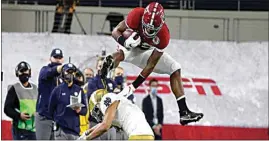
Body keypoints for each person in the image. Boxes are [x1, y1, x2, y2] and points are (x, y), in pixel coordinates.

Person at [101, 2, 203, 125]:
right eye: (146, 26)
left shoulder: (164, 35)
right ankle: (104, 70)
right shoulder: (136, 14)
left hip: (148, 52)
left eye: (152, 28)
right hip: (131, 47)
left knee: (175, 68)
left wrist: (133, 86)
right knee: (118, 55)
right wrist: (124, 41)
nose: (148, 30)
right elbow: (115, 31)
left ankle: (183, 112)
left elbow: (150, 65)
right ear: (143, 17)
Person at [78, 89, 154, 140]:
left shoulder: (106, 98)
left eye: (96, 110)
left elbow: (104, 126)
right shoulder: (117, 104)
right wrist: (86, 133)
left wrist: (86, 139)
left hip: (138, 135)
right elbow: (101, 125)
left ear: (98, 104)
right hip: (148, 135)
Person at [48, 63, 88, 140]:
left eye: (71, 72)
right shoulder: (57, 90)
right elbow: (50, 110)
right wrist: (58, 120)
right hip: (61, 131)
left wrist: (79, 110)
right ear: (63, 73)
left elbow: (85, 110)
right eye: (67, 72)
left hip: (75, 131)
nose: (70, 74)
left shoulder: (79, 90)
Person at [4, 61, 37, 140]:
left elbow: (39, 105)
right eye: (21, 71)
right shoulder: (14, 89)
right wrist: (19, 115)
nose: (24, 73)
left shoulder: (35, 88)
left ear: (29, 72)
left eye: (26, 71)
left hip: (33, 129)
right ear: (17, 74)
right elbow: (7, 108)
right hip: (20, 129)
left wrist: (38, 113)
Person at [35, 48, 64, 139]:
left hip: (57, 119)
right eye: (55, 57)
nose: (58, 59)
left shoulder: (63, 76)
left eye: (60, 57)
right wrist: (60, 69)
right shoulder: (44, 70)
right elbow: (51, 72)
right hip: (44, 116)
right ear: (50, 58)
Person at [86, 58, 117, 140]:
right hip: (96, 123)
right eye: (100, 66)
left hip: (110, 124)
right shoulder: (92, 82)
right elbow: (94, 100)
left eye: (104, 66)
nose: (102, 68)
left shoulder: (111, 83)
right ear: (97, 67)